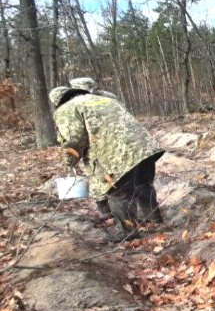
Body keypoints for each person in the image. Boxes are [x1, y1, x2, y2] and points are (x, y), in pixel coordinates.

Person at [49, 85, 165, 242]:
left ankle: (127, 231)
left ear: (57, 102)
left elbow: (74, 140)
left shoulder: (66, 109)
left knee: (118, 192)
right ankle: (153, 218)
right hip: (145, 146)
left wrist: (69, 161)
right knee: (142, 184)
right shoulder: (103, 99)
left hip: (115, 153)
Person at [68, 77, 120, 220]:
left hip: (96, 143)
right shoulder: (110, 97)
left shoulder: (76, 102)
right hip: (116, 140)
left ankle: (106, 209)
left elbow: (76, 131)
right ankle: (120, 207)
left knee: (96, 173)